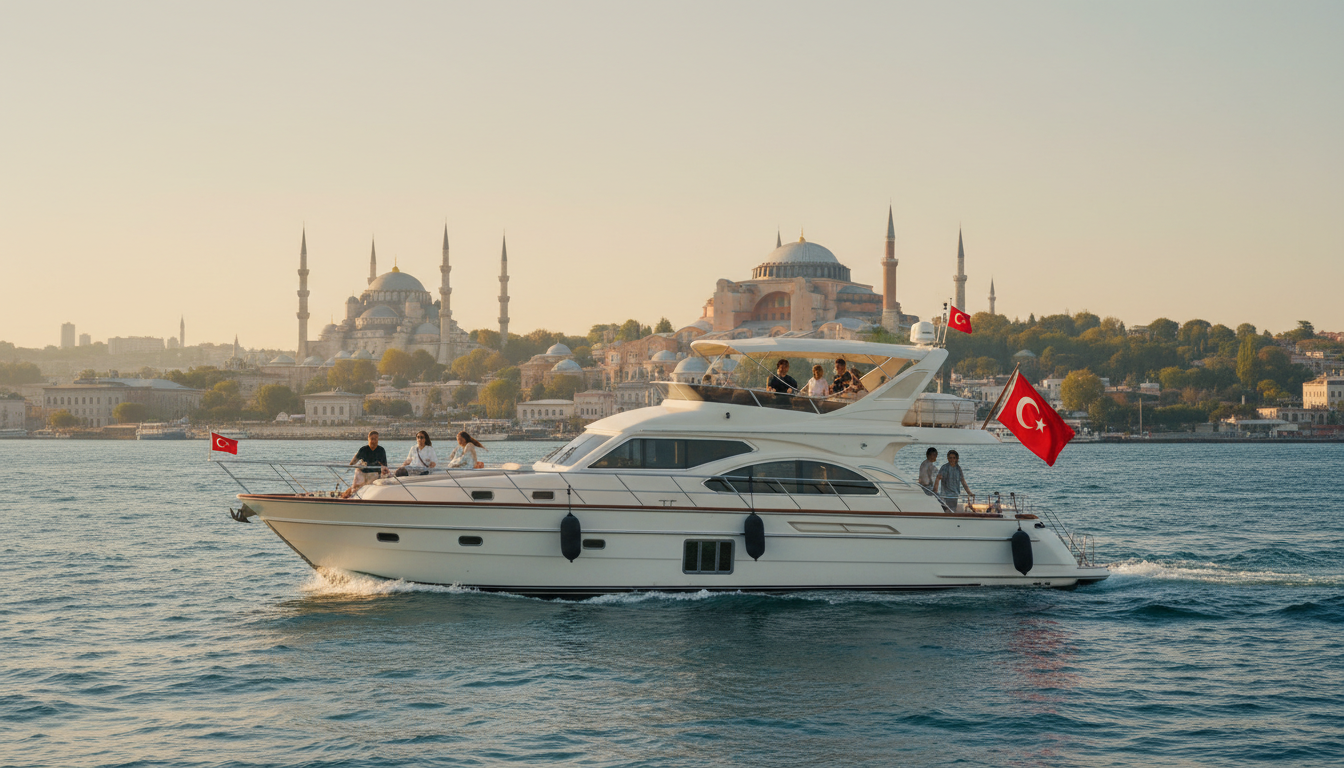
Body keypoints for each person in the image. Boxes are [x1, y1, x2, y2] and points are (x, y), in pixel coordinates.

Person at [341, 431, 387, 498]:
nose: (374, 441)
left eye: (376, 439)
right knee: (358, 481)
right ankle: (351, 494)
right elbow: (352, 463)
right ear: (368, 439)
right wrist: (356, 457)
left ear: (378, 439)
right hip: (363, 473)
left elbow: (385, 465)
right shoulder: (363, 450)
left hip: (375, 473)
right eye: (372, 439)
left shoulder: (381, 450)